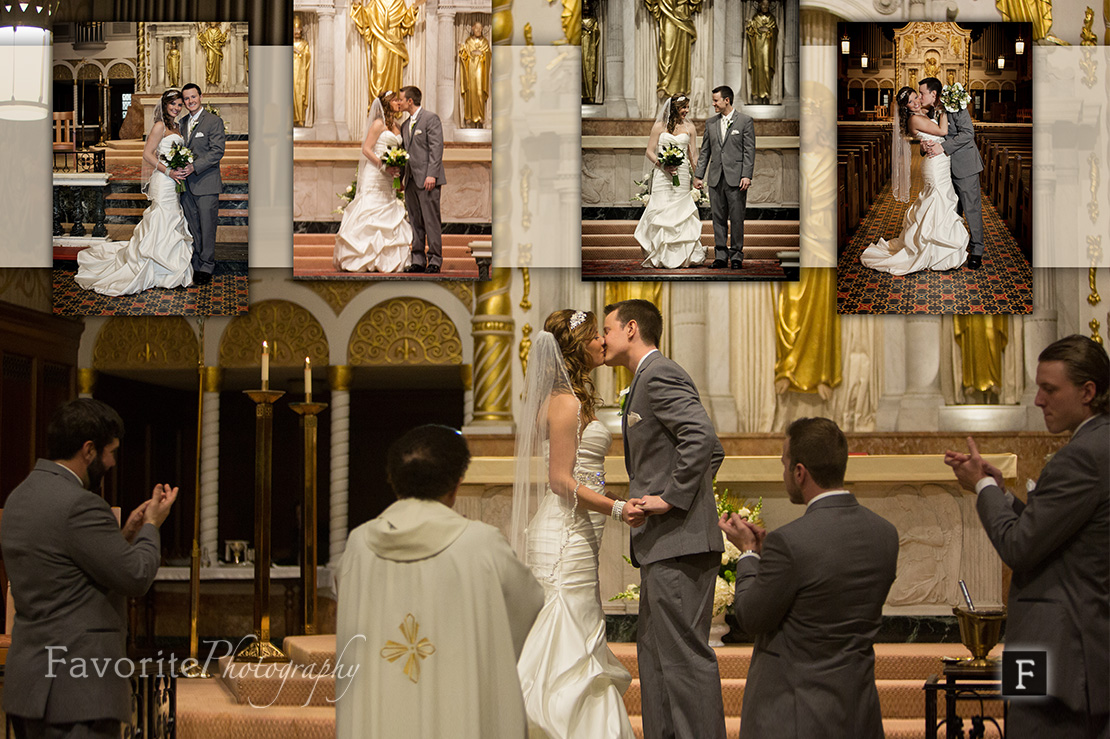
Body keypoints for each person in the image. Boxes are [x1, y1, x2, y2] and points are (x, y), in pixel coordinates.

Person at [945, 335, 1109, 739]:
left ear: (1088, 391)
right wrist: (1002, 493)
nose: (1037, 400)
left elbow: (1019, 547)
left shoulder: (1082, 455)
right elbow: (1053, 532)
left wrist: (982, 489)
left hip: (1059, 649)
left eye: (1050, 389)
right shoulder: (1096, 444)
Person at [335, 424, 543, 739]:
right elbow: (526, 603)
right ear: (456, 484)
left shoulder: (359, 545)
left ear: (393, 482)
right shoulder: (481, 544)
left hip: (378, 714)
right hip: (460, 712)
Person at [2, 399, 179, 739]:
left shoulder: (20, 496)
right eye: (110, 452)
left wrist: (124, 534)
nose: (112, 462)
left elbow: (65, 568)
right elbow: (136, 576)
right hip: (77, 692)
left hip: (29, 685)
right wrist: (152, 527)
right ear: (88, 450)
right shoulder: (81, 504)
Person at [720, 416, 898, 739]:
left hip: (795, 718)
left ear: (800, 472)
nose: (784, 473)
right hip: (859, 715)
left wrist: (748, 553)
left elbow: (750, 617)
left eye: (784, 464)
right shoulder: (885, 534)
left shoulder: (789, 542)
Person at [512, 310, 640, 739]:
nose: (604, 342)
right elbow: (562, 482)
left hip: (580, 529)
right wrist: (618, 509)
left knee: (580, 627)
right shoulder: (565, 403)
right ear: (576, 347)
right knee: (567, 631)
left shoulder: (574, 398)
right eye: (595, 336)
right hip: (564, 531)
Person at [602, 299, 726, 739]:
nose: (603, 339)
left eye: (608, 329)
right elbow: (709, 451)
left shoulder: (659, 373)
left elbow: (703, 439)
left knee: (683, 662)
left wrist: (670, 500)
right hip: (665, 544)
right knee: (655, 661)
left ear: (631, 328)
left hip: (680, 542)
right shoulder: (643, 381)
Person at [75, 89, 195, 295]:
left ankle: (166, 268)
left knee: (171, 218)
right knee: (162, 217)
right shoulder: (160, 126)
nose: (176, 108)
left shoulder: (177, 126)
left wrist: (182, 164)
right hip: (163, 179)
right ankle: (153, 266)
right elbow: (147, 154)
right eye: (172, 104)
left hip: (172, 181)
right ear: (165, 105)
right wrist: (169, 170)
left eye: (178, 105)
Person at [861, 85, 969, 275]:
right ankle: (932, 251)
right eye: (911, 102)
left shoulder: (922, 114)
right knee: (938, 200)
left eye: (916, 97)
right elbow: (943, 131)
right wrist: (944, 107)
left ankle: (937, 249)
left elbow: (930, 135)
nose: (916, 102)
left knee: (939, 201)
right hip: (935, 165)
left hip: (939, 161)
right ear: (906, 108)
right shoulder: (916, 118)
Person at [333, 90, 413, 272]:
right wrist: (383, 166)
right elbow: (367, 149)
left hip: (389, 178)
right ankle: (362, 258)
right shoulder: (378, 124)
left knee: (389, 211)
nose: (399, 103)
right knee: (370, 210)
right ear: (387, 103)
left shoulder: (398, 126)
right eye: (395, 101)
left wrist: (397, 173)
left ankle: (388, 260)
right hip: (375, 174)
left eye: (399, 101)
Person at [918, 76, 985, 269]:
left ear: (933, 94)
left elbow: (968, 133)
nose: (920, 97)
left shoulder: (954, 104)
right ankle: (954, 247)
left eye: (922, 93)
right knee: (950, 210)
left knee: (971, 209)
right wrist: (925, 146)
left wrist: (943, 147)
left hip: (964, 165)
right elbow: (931, 135)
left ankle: (977, 250)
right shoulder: (929, 111)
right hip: (943, 169)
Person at [634, 94, 707, 269]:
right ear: (674, 108)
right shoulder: (659, 126)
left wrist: (698, 177)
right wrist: (662, 164)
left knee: (682, 213)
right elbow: (649, 151)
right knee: (661, 211)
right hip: (662, 176)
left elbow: (693, 155)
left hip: (681, 175)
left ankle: (685, 256)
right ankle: (660, 255)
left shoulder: (690, 127)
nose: (687, 111)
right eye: (684, 107)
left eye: (688, 107)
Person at [693, 86, 755, 270]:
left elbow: (749, 151)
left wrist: (746, 175)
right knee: (718, 219)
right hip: (715, 178)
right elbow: (705, 152)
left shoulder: (745, 121)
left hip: (736, 179)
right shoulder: (711, 123)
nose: (713, 104)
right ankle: (720, 256)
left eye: (716, 101)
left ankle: (736, 256)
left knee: (736, 219)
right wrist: (698, 176)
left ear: (726, 100)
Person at [176, 83, 226, 285]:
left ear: (200, 97)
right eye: (186, 99)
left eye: (193, 97)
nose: (190, 101)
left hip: (206, 184)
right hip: (185, 186)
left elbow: (217, 151)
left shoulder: (214, 121)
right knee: (192, 227)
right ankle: (195, 263)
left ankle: (206, 265)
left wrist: (194, 167)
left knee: (207, 227)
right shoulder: (181, 123)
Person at [398, 86, 446, 274]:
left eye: (401, 99)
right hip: (410, 181)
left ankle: (435, 259)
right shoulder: (404, 125)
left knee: (431, 220)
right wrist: (401, 179)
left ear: (410, 101)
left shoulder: (430, 119)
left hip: (428, 179)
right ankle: (417, 259)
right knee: (415, 221)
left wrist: (432, 174)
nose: (399, 103)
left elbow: (436, 148)